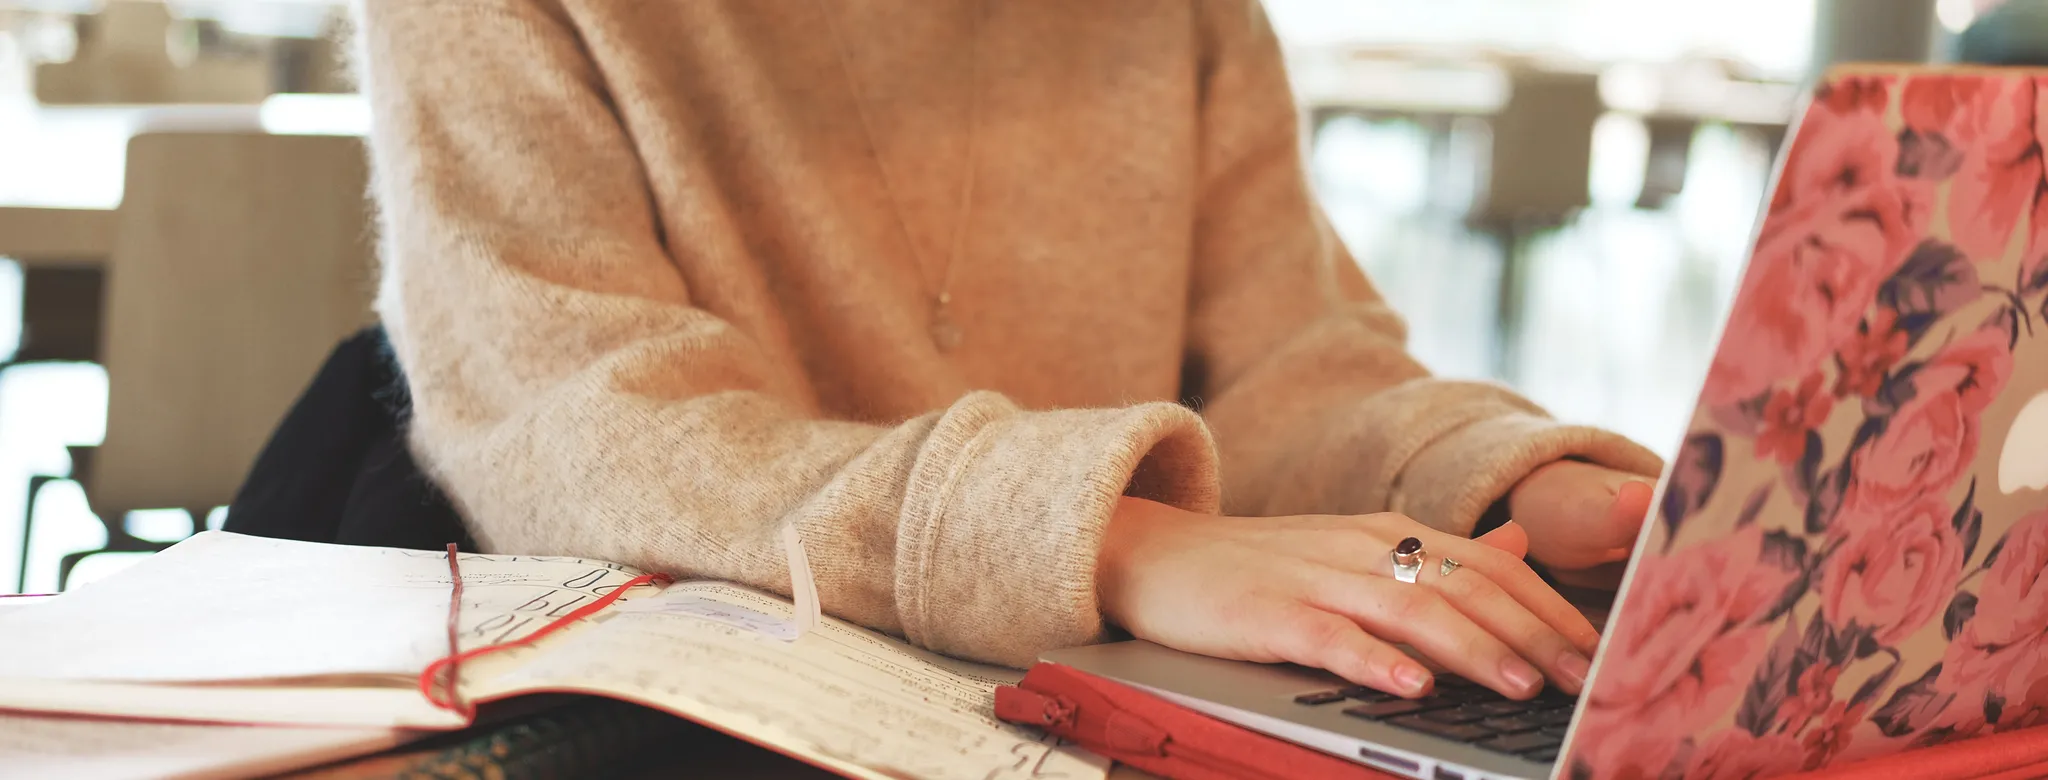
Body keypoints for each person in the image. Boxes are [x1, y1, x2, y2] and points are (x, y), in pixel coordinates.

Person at [349, 0, 1664, 702]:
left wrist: (1498, 488)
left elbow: (1288, 361)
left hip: (1073, 698)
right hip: (674, 697)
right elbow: (581, 427)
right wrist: (1113, 538)